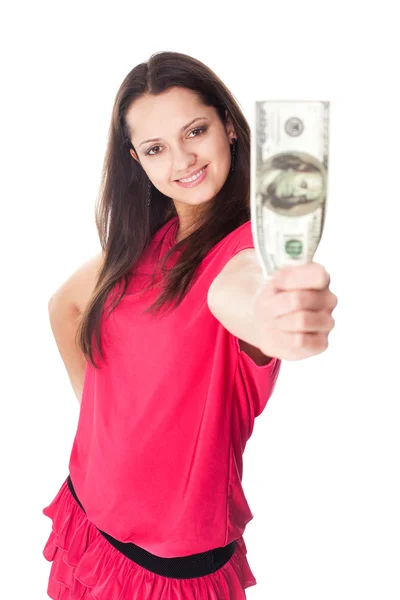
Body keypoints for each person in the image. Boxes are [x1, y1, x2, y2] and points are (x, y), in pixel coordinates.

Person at [42, 51, 337, 599]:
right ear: (138, 161)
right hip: (87, 524)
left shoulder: (246, 252)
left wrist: (282, 318)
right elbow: (65, 306)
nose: (182, 160)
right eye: (156, 149)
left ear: (227, 123)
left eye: (194, 131)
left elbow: (244, 295)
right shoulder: (141, 244)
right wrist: (107, 426)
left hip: (171, 575)